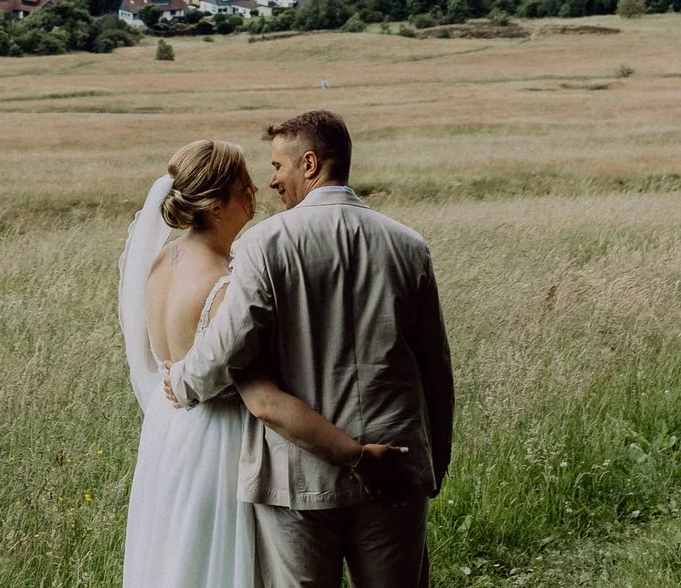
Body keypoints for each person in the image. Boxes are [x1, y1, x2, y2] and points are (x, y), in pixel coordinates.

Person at [167, 111, 454, 588]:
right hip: (394, 467)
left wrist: (181, 383)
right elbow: (436, 369)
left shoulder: (264, 244)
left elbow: (226, 346)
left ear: (309, 163)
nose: (272, 180)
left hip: (297, 476)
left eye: (278, 166)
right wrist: (432, 463)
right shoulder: (409, 245)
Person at [119, 139, 410, 588]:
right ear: (215, 204)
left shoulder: (161, 262)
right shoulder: (225, 282)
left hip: (169, 435)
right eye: (244, 185)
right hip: (218, 446)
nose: (257, 190)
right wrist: (352, 455)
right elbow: (262, 400)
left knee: (180, 561)